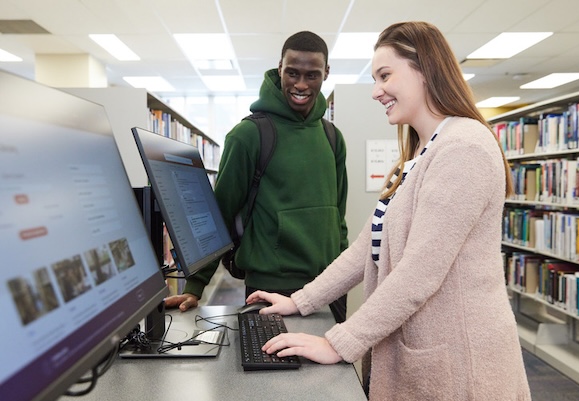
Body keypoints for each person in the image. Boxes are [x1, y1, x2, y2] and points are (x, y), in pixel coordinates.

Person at [246, 21, 532, 401]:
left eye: (385, 75)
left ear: (424, 70)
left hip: (463, 365)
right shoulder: (420, 152)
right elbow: (366, 246)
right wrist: (302, 300)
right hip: (425, 351)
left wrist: (339, 343)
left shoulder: (464, 149)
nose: (376, 91)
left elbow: (420, 272)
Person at [164, 31, 349, 323]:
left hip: (328, 286)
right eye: (292, 73)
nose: (301, 84)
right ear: (279, 69)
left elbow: (338, 217)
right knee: (272, 367)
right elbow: (220, 214)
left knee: (339, 369)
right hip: (272, 285)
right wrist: (196, 286)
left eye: (312, 75)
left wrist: (342, 275)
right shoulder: (248, 136)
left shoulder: (332, 137)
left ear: (326, 73)